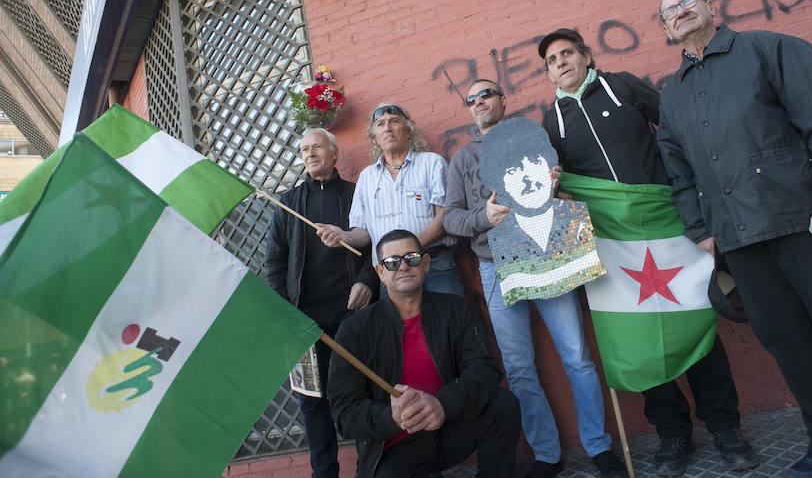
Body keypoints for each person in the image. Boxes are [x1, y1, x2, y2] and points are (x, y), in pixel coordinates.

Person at [655, 0, 812, 478]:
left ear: (710, 7)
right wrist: (702, 230)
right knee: (792, 347)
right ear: (665, 29)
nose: (679, 12)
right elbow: (678, 173)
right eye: (668, 12)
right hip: (740, 242)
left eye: (686, 1)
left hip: (806, 223)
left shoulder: (771, 49)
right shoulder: (673, 94)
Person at [537, 28, 756, 476]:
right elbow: (561, 187)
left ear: (586, 56)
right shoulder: (551, 121)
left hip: (666, 221)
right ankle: (673, 432)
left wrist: (693, 194)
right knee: (637, 337)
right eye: (551, 60)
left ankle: (725, 427)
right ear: (548, 73)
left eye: (566, 53)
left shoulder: (622, 87)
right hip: (614, 241)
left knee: (696, 314)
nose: (560, 62)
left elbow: (675, 131)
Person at [443, 81, 627, 478]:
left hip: (548, 251)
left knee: (577, 357)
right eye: (471, 99)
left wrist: (555, 183)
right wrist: (482, 219)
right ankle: (547, 454)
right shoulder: (462, 159)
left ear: (502, 100)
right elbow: (450, 218)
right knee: (519, 367)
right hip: (496, 265)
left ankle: (599, 447)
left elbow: (562, 190)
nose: (479, 102)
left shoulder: (531, 137)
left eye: (486, 94)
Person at [327, 229, 521, 478]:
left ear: (426, 263)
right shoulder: (355, 330)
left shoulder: (457, 310)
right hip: (395, 445)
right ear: (380, 273)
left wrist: (443, 404)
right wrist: (391, 417)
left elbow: (484, 369)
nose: (404, 266)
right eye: (392, 262)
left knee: (503, 405)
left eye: (412, 258)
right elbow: (344, 412)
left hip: (449, 425)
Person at [262, 127, 379, 478]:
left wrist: (367, 281)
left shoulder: (356, 195)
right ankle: (324, 473)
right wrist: (285, 314)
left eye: (317, 147)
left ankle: (370, 469)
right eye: (304, 149)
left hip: (352, 315)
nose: (310, 154)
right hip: (304, 322)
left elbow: (376, 246)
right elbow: (274, 264)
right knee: (313, 404)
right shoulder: (287, 204)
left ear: (334, 153)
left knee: (361, 395)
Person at [317, 103, 463, 296]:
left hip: (433, 264)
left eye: (394, 121)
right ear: (375, 138)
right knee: (402, 326)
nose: (387, 128)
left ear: (408, 131)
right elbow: (362, 231)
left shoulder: (432, 163)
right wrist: (344, 236)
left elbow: (444, 218)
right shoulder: (366, 177)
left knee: (452, 322)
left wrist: (408, 249)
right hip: (390, 272)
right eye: (380, 124)